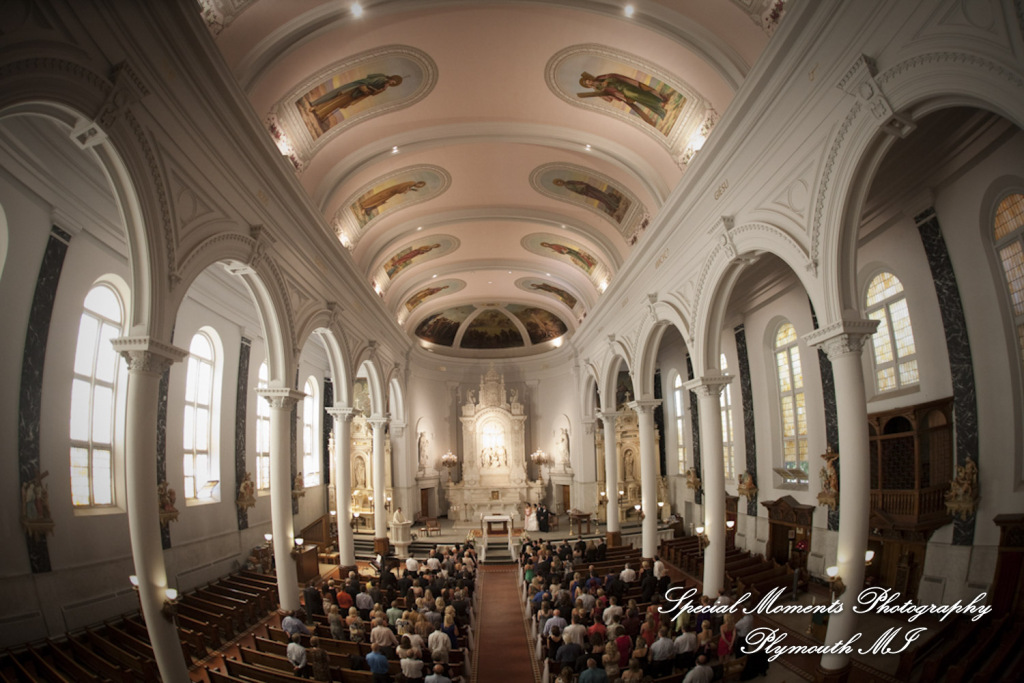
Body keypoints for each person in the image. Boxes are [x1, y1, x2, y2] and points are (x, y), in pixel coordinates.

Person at [577, 72, 670, 127]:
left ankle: (659, 101)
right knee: (641, 99)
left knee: (639, 94)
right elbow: (609, 99)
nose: (589, 82)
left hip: (624, 86)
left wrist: (607, 81)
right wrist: (604, 92)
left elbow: (613, 77)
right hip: (622, 93)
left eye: (588, 80)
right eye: (587, 83)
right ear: (588, 86)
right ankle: (660, 110)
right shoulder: (597, 90)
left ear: (589, 78)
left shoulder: (600, 78)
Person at [308, 74, 403, 126]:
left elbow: (372, 94)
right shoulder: (381, 78)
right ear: (392, 78)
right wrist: (365, 89)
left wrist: (381, 90)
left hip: (357, 95)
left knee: (337, 104)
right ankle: (317, 109)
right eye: (392, 82)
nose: (390, 84)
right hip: (353, 90)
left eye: (392, 84)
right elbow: (366, 82)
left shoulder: (384, 86)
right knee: (336, 100)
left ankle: (321, 113)